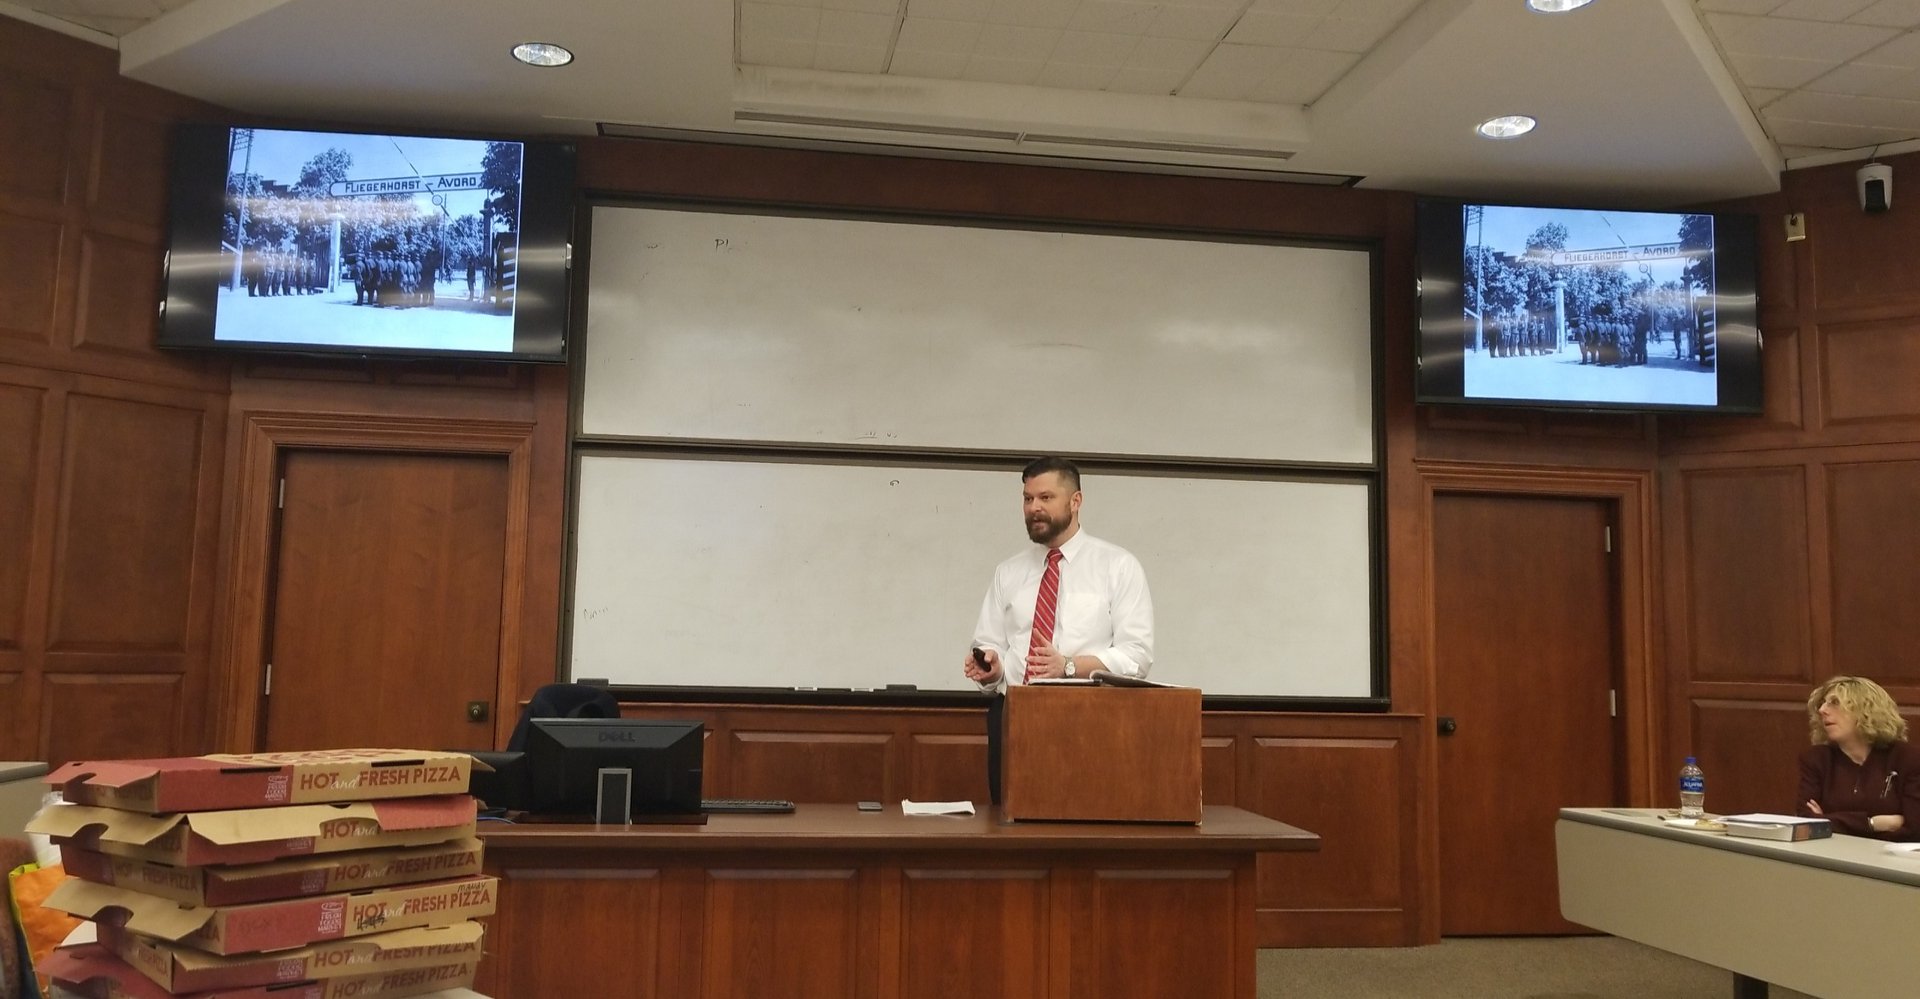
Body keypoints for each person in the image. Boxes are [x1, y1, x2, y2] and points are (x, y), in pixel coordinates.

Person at [961, 457, 1154, 803]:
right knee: (1010, 823)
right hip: (1013, 718)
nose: (1034, 508)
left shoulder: (1118, 567)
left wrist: (1068, 666)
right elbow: (991, 645)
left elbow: (1137, 657)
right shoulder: (1008, 573)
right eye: (1027, 498)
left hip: (1089, 720)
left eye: (1046, 498)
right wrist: (992, 667)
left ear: (1075, 501)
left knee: (1084, 823)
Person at [1795, 675, 1920, 840]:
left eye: (1834, 703)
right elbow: (1807, 824)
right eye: (1823, 703)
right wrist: (1873, 824)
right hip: (1832, 856)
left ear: (1866, 710)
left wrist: (1829, 822)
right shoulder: (1817, 759)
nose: (1822, 710)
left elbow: (1914, 828)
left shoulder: (1907, 758)